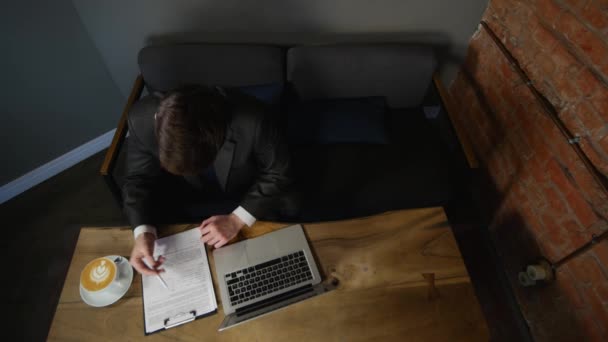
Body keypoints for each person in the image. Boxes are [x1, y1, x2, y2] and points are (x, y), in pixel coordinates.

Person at [122, 85, 295, 275]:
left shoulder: (253, 119)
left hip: (246, 193)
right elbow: (139, 179)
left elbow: (278, 172)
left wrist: (237, 220)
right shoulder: (140, 119)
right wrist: (143, 232)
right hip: (182, 199)